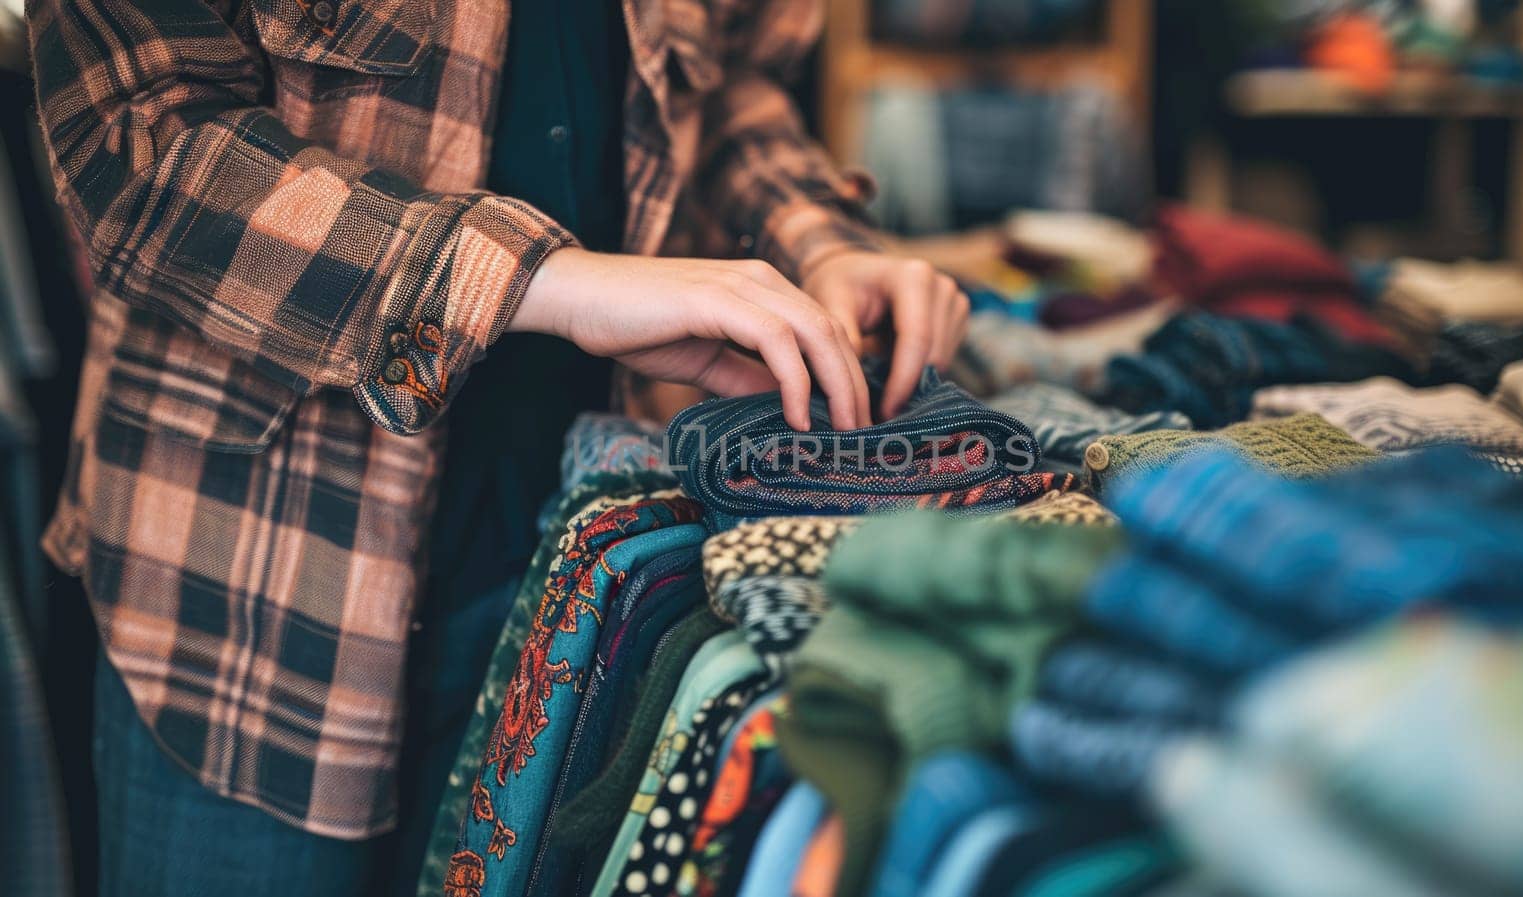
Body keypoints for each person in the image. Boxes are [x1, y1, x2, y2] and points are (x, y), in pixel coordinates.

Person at [25, 0, 968, 894]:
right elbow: (135, 140)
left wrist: (821, 240)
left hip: (587, 575)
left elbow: (729, 93)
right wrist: (545, 283)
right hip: (252, 579)